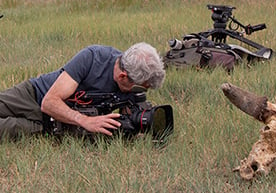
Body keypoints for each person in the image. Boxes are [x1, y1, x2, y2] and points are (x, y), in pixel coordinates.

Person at [0, 42, 165, 139]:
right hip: (34, 96)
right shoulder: (93, 58)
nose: (136, 93)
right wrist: (86, 121)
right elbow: (49, 103)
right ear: (122, 76)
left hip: (52, 125)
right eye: (137, 88)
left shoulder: (133, 79)